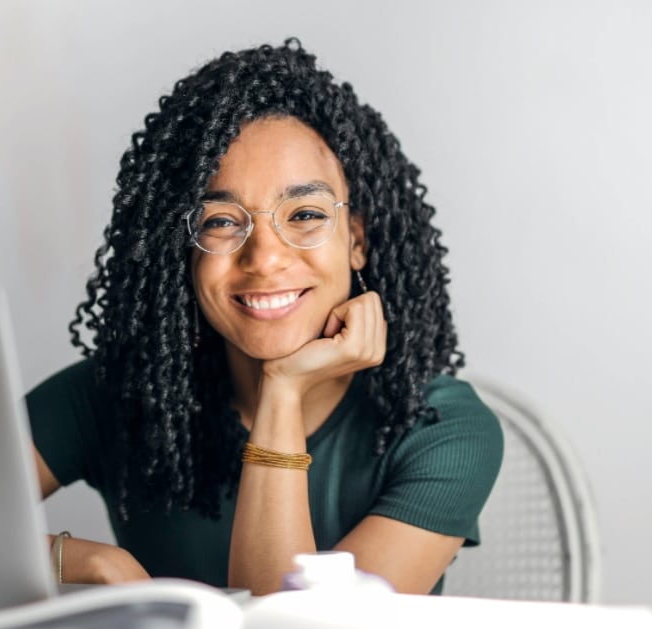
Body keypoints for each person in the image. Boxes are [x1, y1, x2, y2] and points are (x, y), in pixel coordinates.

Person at [26, 38, 503, 596]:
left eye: (304, 214)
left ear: (357, 240)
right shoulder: (116, 393)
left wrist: (283, 389)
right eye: (221, 222)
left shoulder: (440, 429)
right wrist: (87, 561)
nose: (266, 257)